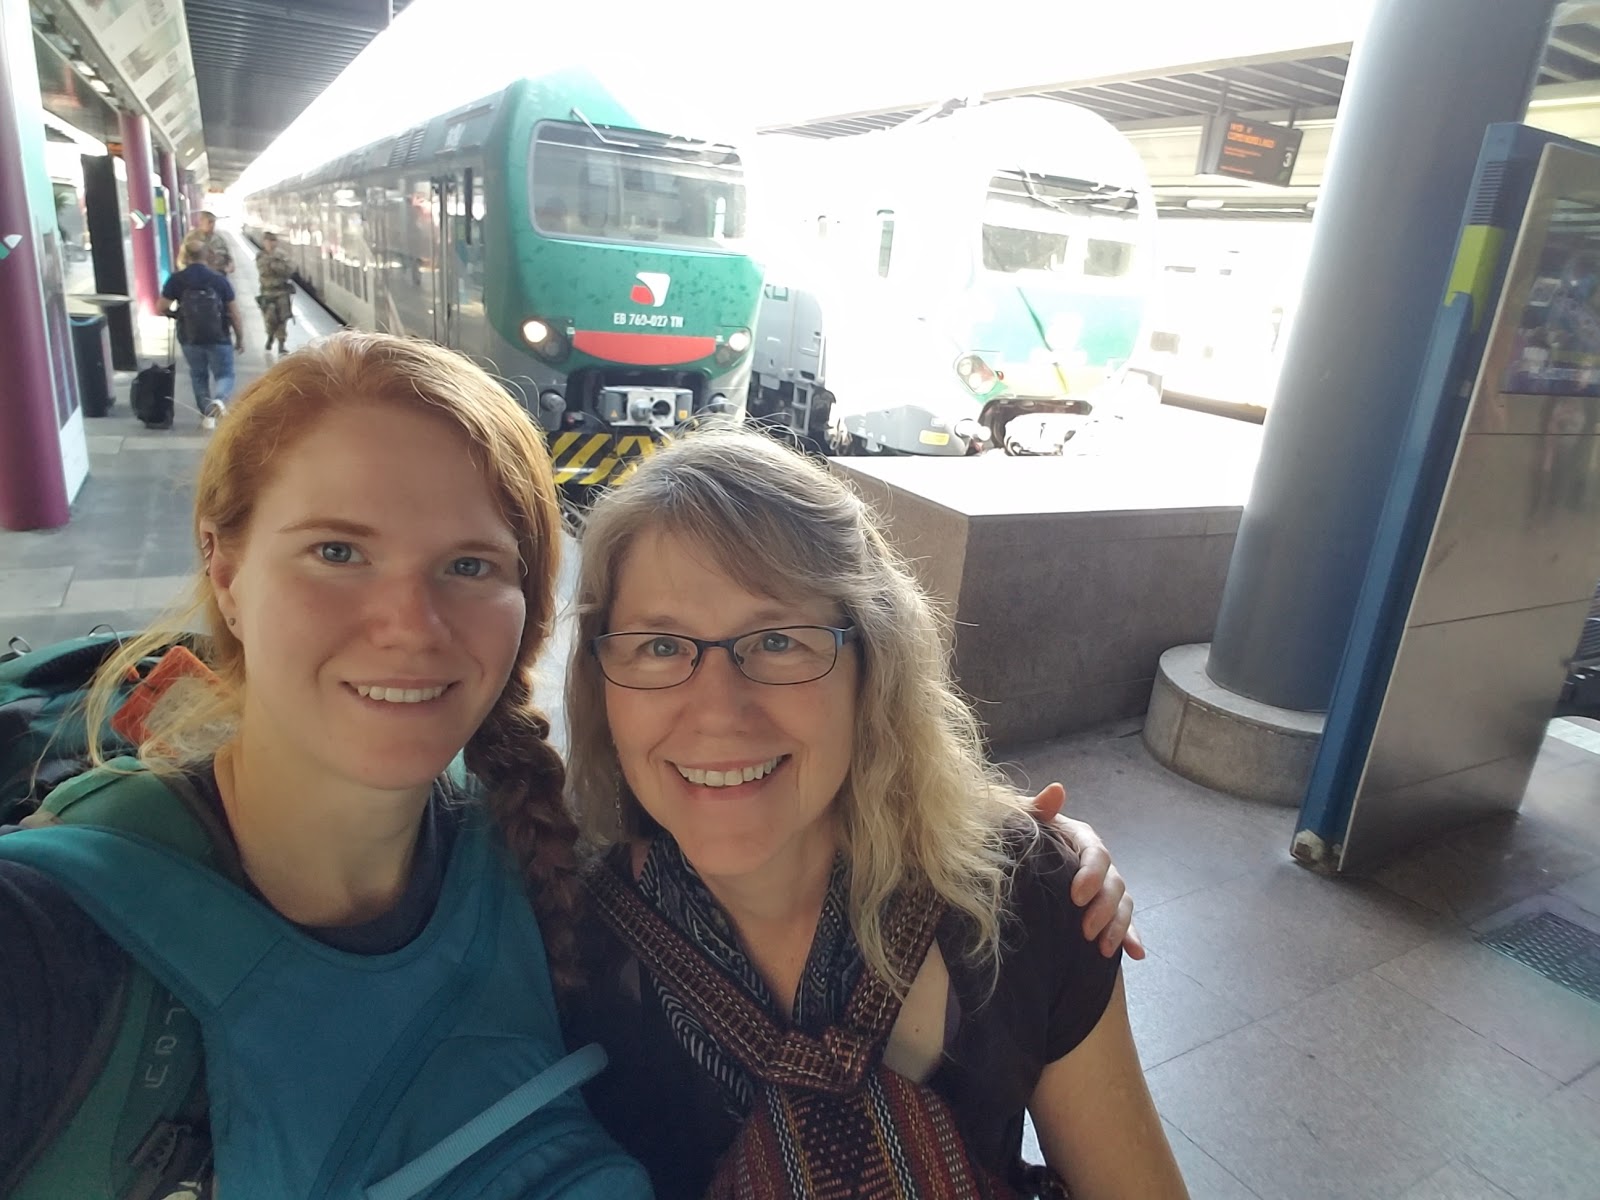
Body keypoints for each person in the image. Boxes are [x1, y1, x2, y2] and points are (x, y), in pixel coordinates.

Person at [0, 333, 1137, 1196]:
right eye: (337, 549)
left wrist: (1017, 847)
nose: (407, 624)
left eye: (466, 564)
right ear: (224, 563)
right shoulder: (51, 942)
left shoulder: (532, 876)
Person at [564, 425, 1187, 1199]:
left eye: (778, 640)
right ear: (601, 682)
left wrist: (1034, 854)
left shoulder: (1025, 899)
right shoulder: (559, 945)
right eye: (660, 646)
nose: (718, 712)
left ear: (872, 666)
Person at [160, 235, 244, 430]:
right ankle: (220, 400)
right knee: (225, 374)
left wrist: (178, 315)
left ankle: (207, 416)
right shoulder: (219, 280)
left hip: (189, 337)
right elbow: (234, 313)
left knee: (198, 375)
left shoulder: (176, 279)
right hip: (219, 336)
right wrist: (240, 338)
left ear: (186, 256)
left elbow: (160, 306)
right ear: (207, 255)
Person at [255, 231, 295, 354]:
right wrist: (276, 265)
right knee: (270, 318)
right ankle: (270, 336)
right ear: (264, 242)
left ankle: (281, 343)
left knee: (282, 318)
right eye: (268, 241)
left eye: (272, 241)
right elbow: (263, 271)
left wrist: (274, 265)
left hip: (281, 291)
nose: (270, 244)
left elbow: (289, 269)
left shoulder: (282, 255)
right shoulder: (260, 256)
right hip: (267, 292)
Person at [195, 209, 233, 276]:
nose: (212, 225)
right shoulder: (193, 239)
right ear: (201, 222)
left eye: (213, 222)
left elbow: (227, 255)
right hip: (202, 277)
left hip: (220, 275)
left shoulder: (219, 239)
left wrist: (230, 264)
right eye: (209, 222)